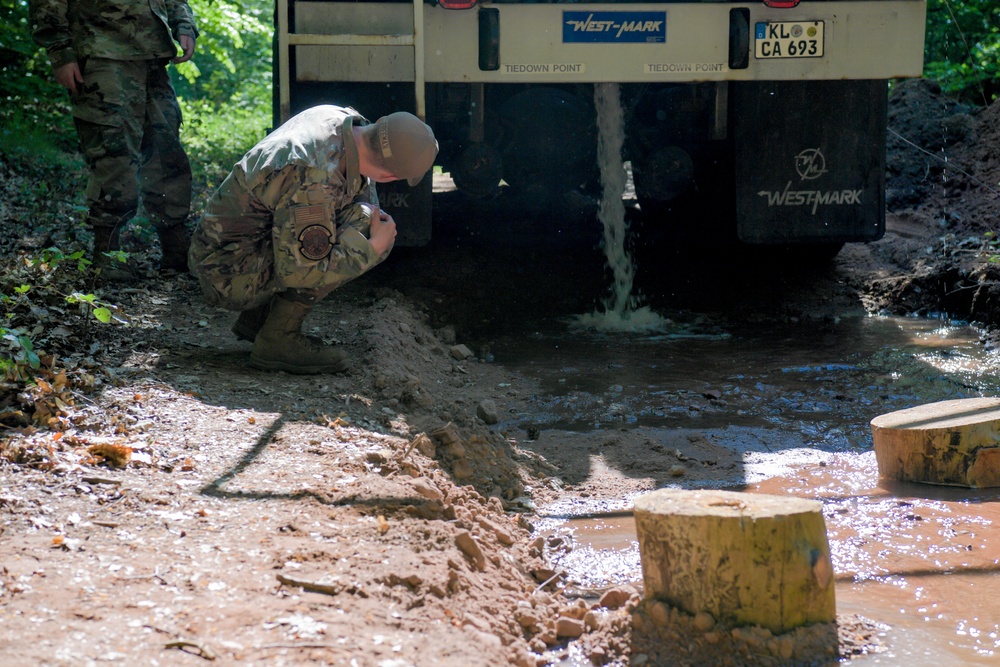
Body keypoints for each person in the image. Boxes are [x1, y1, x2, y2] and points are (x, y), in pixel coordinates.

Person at [188, 105, 438, 374]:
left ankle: (260, 321)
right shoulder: (314, 175)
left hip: (236, 247)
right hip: (227, 274)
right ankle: (277, 340)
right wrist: (372, 248)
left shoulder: (343, 121)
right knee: (369, 231)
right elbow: (301, 273)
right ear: (389, 176)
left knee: (366, 216)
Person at [29, 0, 198, 277]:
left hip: (153, 54)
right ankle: (107, 251)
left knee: (166, 148)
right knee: (113, 151)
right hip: (102, 51)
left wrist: (184, 25)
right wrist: (60, 51)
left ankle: (175, 245)